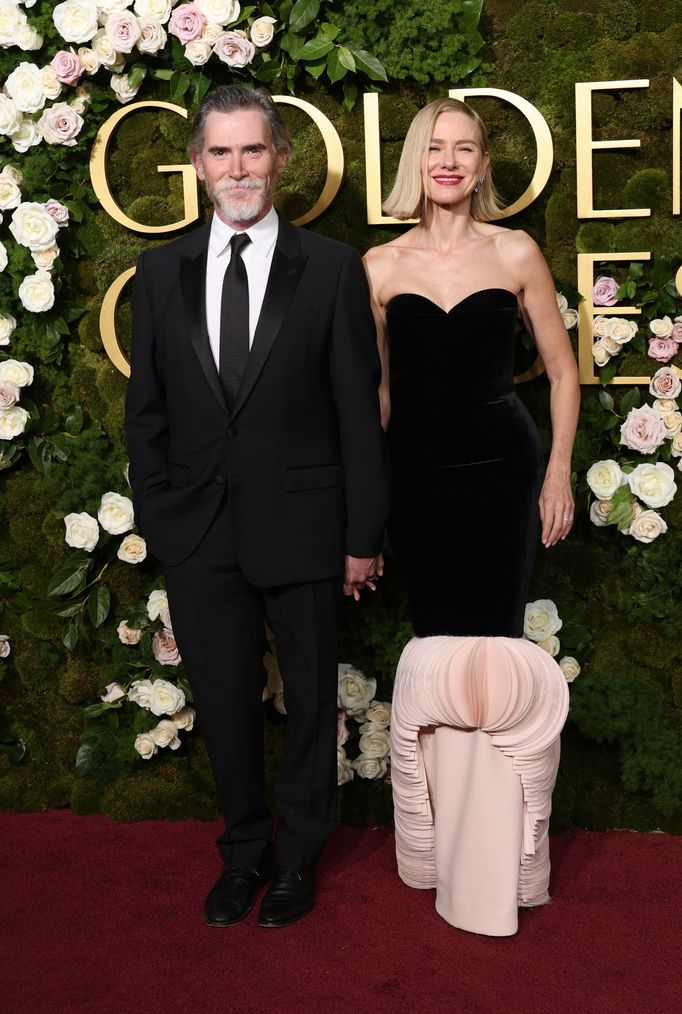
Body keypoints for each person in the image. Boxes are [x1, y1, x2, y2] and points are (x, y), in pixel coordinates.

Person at [125, 86, 389, 929]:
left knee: (311, 699)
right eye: (220, 153)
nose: (237, 168)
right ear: (198, 166)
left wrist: (361, 535)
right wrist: (162, 518)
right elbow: (149, 414)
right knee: (225, 699)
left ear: (279, 158)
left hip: (306, 527)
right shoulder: (160, 271)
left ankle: (298, 861)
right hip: (197, 532)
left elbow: (358, 410)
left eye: (252, 151)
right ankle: (242, 856)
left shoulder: (334, 268)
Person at [364, 98, 579, 936]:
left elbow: (562, 373)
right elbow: (376, 398)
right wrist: (370, 508)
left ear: (484, 165)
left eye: (465, 149)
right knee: (438, 658)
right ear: (416, 162)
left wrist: (557, 472)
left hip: (503, 475)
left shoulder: (517, 251)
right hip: (417, 479)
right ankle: (445, 854)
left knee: (496, 653)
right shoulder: (378, 266)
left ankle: (504, 868)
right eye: (435, 149)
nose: (449, 162)